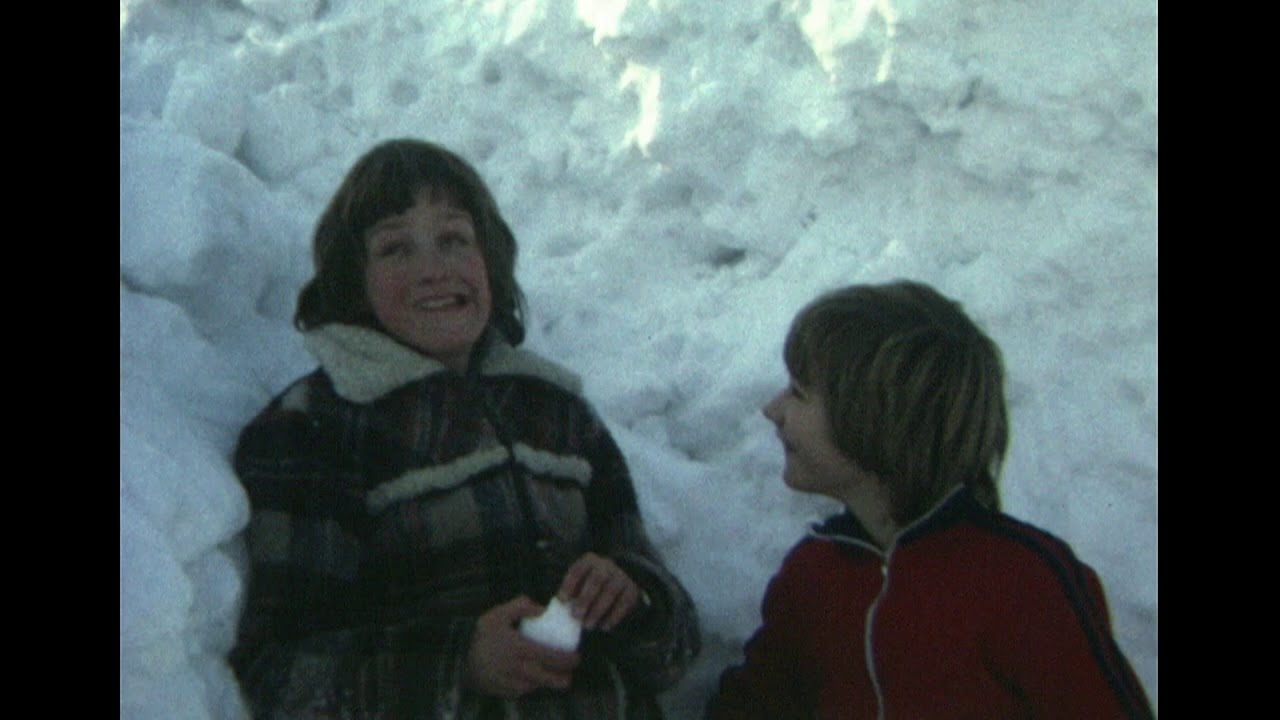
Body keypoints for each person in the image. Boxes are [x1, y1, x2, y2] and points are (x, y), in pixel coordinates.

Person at [230, 139, 700, 719]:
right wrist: (459, 664)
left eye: (453, 239)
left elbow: (676, 648)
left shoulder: (559, 414)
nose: (433, 270)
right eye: (396, 248)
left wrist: (635, 601)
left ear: (490, 261)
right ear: (354, 280)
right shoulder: (316, 428)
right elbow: (281, 677)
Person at [705, 280, 1153, 719]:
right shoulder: (814, 575)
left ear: (876, 423)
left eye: (799, 394)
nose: (772, 409)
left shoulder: (1021, 582)